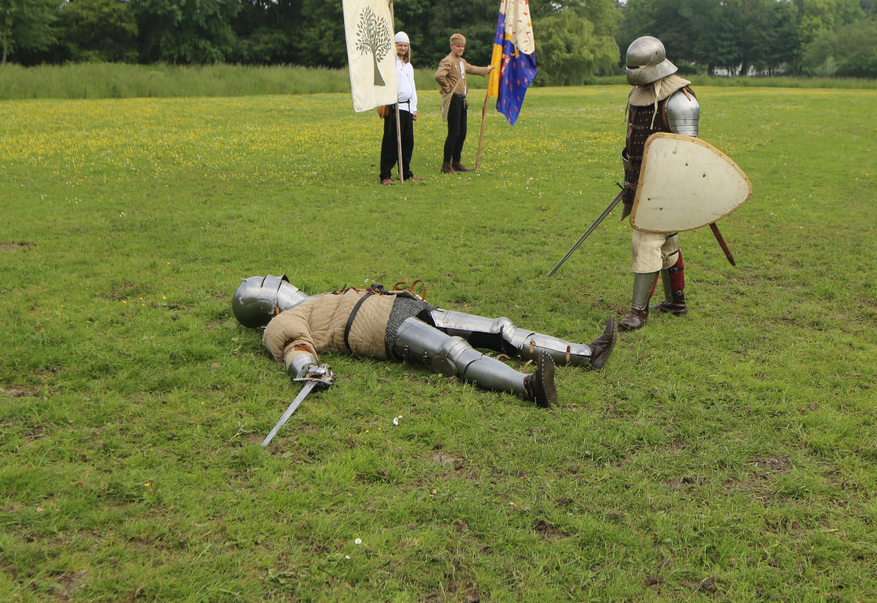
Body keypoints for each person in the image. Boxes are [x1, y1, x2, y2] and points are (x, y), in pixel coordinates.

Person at [232, 274, 618, 409]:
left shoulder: (317, 298)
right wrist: (309, 369)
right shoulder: (283, 320)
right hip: (380, 329)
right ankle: (529, 386)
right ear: (268, 304)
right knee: (454, 352)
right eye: (278, 286)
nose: (287, 286)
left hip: (401, 307)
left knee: (500, 328)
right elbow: (294, 346)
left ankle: (588, 353)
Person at [617, 36, 700, 331]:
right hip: (641, 184)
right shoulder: (639, 94)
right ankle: (676, 302)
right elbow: (635, 142)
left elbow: (689, 154)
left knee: (645, 242)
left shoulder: (680, 101)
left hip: (666, 187)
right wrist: (630, 172)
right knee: (667, 242)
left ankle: (638, 312)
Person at [434, 33, 491, 174]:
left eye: (463, 46)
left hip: (462, 100)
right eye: (458, 46)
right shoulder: (448, 60)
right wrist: (448, 88)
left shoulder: (462, 62)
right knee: (453, 133)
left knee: (462, 132)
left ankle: (456, 162)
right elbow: (439, 75)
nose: (461, 49)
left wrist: (487, 70)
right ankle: (446, 164)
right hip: (454, 99)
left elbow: (472, 69)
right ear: (452, 46)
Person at [380, 31, 421, 185]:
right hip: (394, 107)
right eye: (399, 45)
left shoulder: (408, 66)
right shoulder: (390, 64)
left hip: (407, 107)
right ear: (394, 46)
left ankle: (405, 172)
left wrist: (414, 108)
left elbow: (412, 88)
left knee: (407, 142)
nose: (403, 48)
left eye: (405, 45)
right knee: (391, 142)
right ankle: (385, 175)